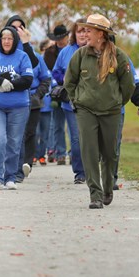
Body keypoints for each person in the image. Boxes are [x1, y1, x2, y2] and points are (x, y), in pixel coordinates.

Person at [64, 14, 134, 209]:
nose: (85, 34)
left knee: (110, 153)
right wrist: (76, 101)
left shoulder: (118, 56)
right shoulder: (79, 55)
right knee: (89, 151)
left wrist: (118, 101)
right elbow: (69, 82)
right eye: (84, 30)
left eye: (89, 30)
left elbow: (128, 85)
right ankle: (95, 194)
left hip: (111, 111)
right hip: (86, 110)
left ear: (101, 34)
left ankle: (108, 188)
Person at [0, 26, 33, 190]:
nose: (7, 41)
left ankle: (10, 177)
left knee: (14, 142)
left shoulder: (23, 57)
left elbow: (28, 80)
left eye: (10, 38)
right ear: (0, 40)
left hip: (19, 107)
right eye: (4, 38)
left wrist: (11, 85)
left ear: (15, 40)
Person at [52, 19, 88, 184]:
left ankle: (93, 170)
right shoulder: (66, 52)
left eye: (86, 31)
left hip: (93, 102)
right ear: (74, 34)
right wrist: (66, 80)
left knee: (91, 137)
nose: (83, 34)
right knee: (76, 138)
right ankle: (80, 172)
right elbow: (56, 72)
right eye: (79, 31)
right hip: (71, 102)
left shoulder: (97, 50)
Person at [113, 45, 139, 190]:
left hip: (115, 109)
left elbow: (132, 81)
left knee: (113, 145)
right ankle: (94, 178)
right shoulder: (83, 56)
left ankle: (110, 178)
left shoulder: (121, 57)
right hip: (91, 110)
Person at [16, 49, 50, 182]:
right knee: (16, 132)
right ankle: (15, 164)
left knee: (30, 132)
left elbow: (46, 79)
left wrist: (37, 95)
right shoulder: (6, 56)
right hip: (14, 99)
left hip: (33, 100)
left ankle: (27, 163)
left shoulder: (36, 57)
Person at [44, 24, 70, 165]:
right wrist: (58, 80)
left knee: (73, 125)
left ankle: (73, 152)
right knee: (58, 124)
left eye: (62, 38)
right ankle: (60, 152)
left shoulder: (73, 50)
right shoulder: (49, 52)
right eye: (57, 38)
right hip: (56, 92)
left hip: (71, 90)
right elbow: (48, 72)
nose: (60, 41)